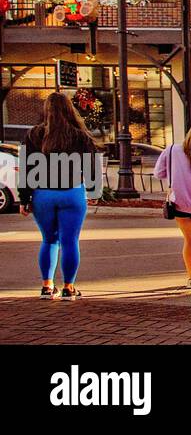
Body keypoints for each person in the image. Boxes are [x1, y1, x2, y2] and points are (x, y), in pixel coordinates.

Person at [18, 92, 101, 300]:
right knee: (70, 241)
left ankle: (47, 286)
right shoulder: (79, 136)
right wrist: (93, 190)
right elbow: (91, 166)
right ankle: (69, 288)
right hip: (72, 192)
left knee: (49, 240)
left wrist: (24, 199)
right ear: (69, 109)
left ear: (46, 110)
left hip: (43, 194)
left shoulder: (33, 135)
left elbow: (27, 169)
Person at [152, 120, 191, 283]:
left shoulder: (172, 150)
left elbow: (158, 173)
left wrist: (177, 175)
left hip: (180, 203)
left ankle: (190, 275)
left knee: (190, 241)